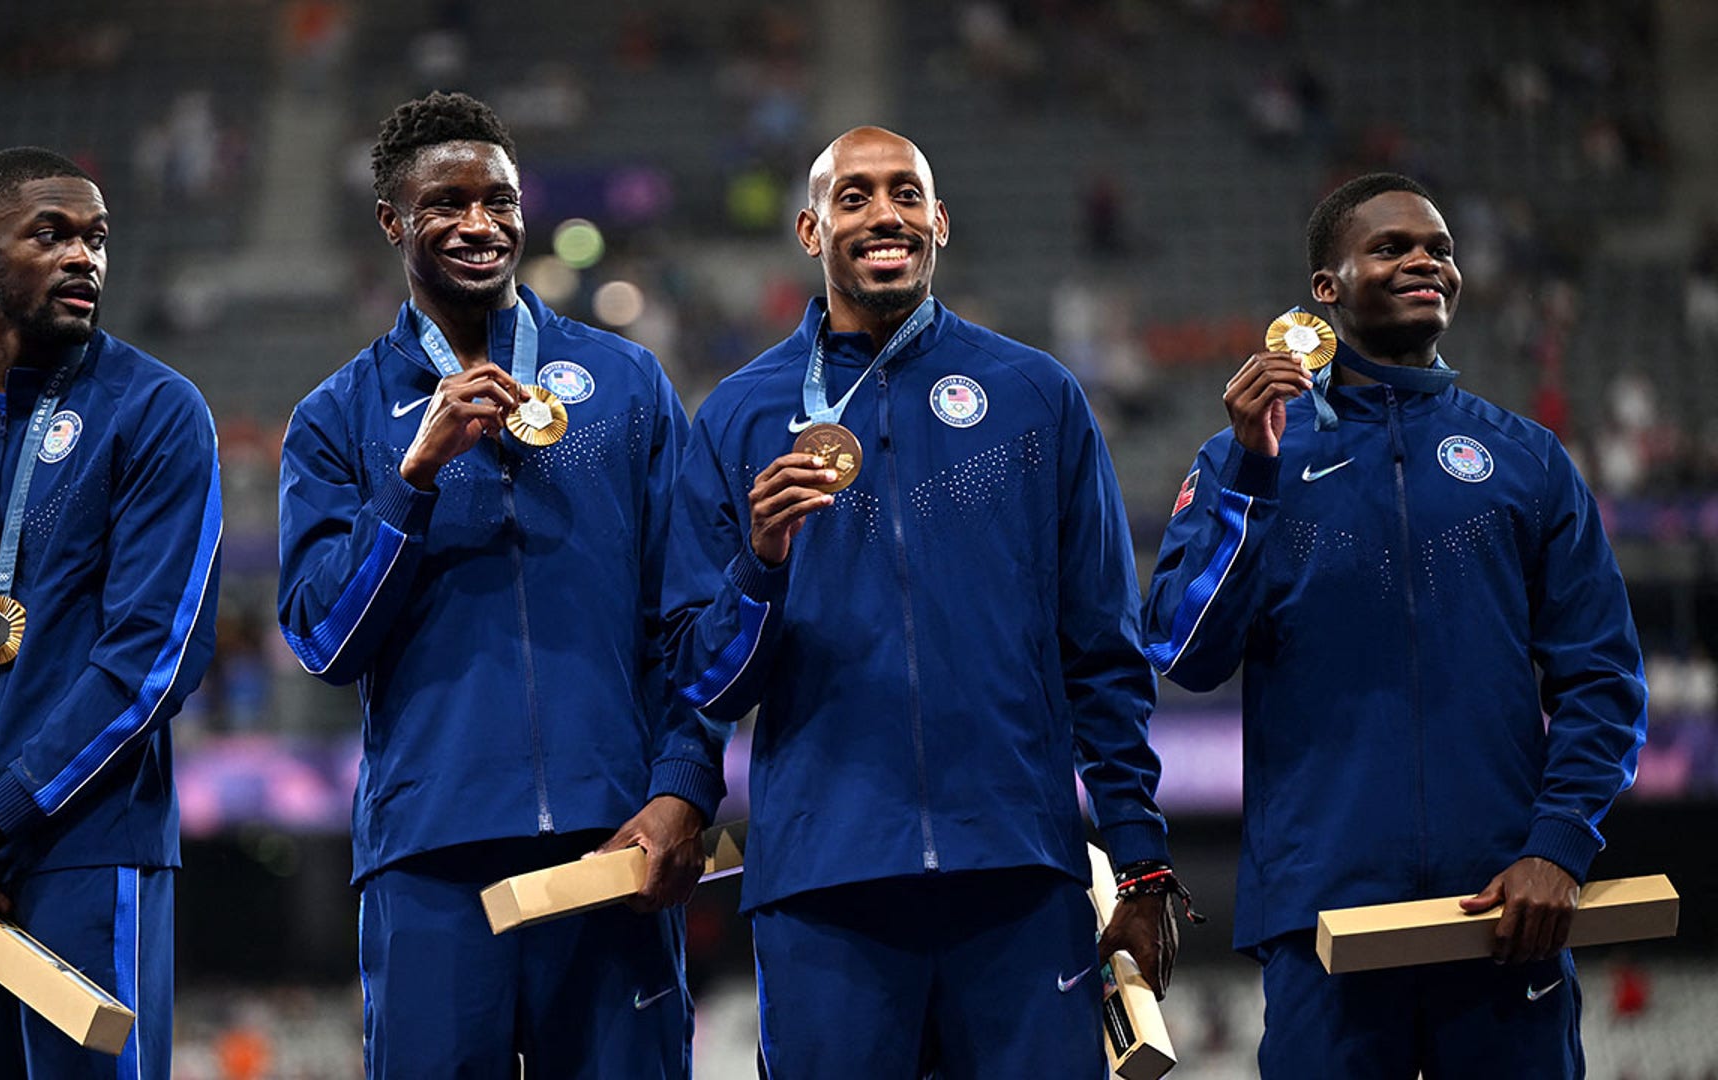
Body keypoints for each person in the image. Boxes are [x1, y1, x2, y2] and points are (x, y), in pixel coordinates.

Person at [662, 126, 1186, 1077]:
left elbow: (1103, 652)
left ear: (939, 220)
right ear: (810, 230)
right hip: (827, 886)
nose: (884, 214)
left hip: (1018, 876)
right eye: (853, 197)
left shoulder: (1036, 397)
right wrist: (761, 565)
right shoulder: (737, 416)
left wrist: (1142, 861)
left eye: (905, 192)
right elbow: (701, 678)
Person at [1142, 173, 1647, 1078]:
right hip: (1325, 926)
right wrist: (1254, 481)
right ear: (1325, 289)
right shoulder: (1245, 452)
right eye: (1392, 246)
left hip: (1507, 913)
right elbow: (1183, 648)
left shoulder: (1523, 458)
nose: (1426, 260)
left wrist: (1560, 845)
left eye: (1441, 249)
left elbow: (1603, 678)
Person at [276, 91, 718, 1078]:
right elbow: (324, 645)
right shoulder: (336, 419)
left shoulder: (631, 384)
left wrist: (686, 783)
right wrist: (412, 479)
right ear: (392, 220)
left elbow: (691, 614)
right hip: (432, 860)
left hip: (615, 846)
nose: (481, 224)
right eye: (447, 203)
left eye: (500, 199)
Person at [0, 146, 221, 1078]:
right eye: (51, 234)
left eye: (97, 239)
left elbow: (151, 661)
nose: (83, 258)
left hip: (88, 843)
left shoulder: (157, 410)